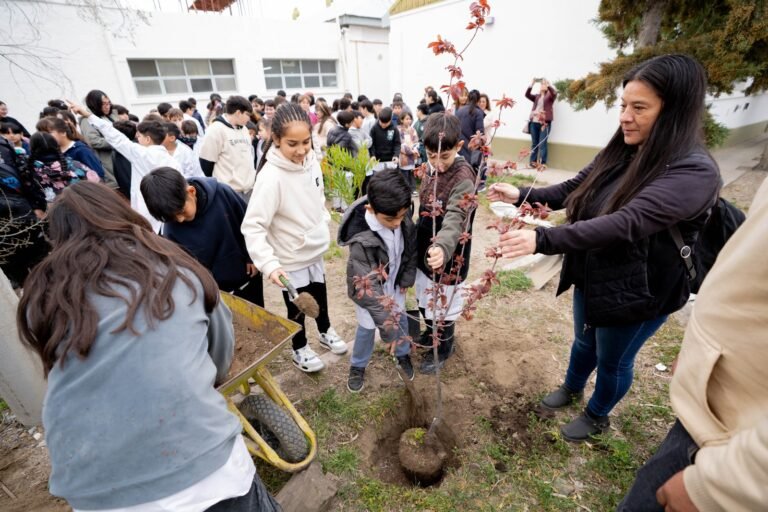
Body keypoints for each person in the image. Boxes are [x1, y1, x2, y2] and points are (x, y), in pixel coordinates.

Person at [489, 54, 721, 443]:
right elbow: (573, 188)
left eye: (639, 108)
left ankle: (598, 414)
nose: (625, 117)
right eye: (623, 106)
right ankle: (572, 387)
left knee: (614, 359)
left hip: (643, 289)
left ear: (675, 109)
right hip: (599, 272)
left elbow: (626, 224)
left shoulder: (694, 171)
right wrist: (522, 195)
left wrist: (543, 238)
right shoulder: (627, 147)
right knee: (584, 339)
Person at [16, 181, 280, 511]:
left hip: (91, 483)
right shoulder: (173, 266)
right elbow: (219, 358)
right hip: (204, 470)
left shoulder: (40, 295)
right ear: (121, 213)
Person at [618, 178, 768, 511]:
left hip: (735, 440)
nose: (625, 120)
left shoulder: (692, 169)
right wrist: (699, 347)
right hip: (715, 407)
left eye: (639, 118)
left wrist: (728, 484)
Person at [241, 103, 347, 373]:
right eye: (292, 144)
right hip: (290, 256)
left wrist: (321, 220)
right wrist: (269, 264)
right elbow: (253, 226)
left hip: (313, 249)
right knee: (297, 305)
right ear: (276, 139)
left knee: (320, 295)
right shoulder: (271, 178)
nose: (300, 150)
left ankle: (325, 330)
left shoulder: (310, 162)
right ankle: (299, 348)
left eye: (305, 142)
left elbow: (317, 195)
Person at [337, 169, 417, 392]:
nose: (397, 223)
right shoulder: (361, 241)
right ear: (370, 209)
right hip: (370, 294)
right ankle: (358, 365)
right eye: (391, 219)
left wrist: (406, 276)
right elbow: (370, 292)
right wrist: (387, 331)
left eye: (402, 216)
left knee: (400, 318)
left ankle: (402, 354)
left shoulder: (401, 216)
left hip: (395, 285)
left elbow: (410, 250)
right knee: (367, 327)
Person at [141, 167, 264, 308]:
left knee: (257, 316)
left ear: (191, 192)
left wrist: (252, 256)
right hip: (214, 290)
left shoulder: (223, 193)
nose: (180, 219)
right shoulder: (171, 228)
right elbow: (182, 266)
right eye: (172, 217)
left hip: (246, 273)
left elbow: (248, 224)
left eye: (181, 211)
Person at [415, 112, 476, 374]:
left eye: (445, 156)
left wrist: (443, 247)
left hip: (449, 252)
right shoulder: (430, 167)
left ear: (458, 147)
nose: (438, 164)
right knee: (426, 297)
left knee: (444, 304)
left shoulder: (463, 177)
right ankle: (430, 335)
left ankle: (444, 345)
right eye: (431, 156)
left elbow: (455, 219)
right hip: (425, 247)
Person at [69, 101, 180, 233]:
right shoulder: (173, 161)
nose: (137, 139)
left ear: (148, 139)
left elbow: (116, 137)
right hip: (170, 217)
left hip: (148, 217)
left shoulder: (141, 154)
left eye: (139, 136)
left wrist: (88, 115)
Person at [0, 135, 48, 288]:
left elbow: (26, 176)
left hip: (24, 216)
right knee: (22, 275)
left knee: (41, 265)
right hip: (10, 226)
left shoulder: (5, 146)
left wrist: (37, 205)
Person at [198, 95, 256, 202]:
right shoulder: (216, 130)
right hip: (230, 191)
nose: (249, 119)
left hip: (248, 189)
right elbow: (206, 161)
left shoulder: (244, 129)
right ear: (238, 113)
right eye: (248, 114)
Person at [27, 131, 101, 202]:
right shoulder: (75, 165)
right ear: (56, 144)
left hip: (53, 211)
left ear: (31, 148)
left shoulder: (29, 170)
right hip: (83, 206)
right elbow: (96, 183)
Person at [79, 89, 120, 188]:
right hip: (107, 160)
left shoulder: (111, 116)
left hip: (119, 157)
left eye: (108, 103)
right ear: (95, 104)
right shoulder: (86, 120)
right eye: (103, 104)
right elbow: (94, 141)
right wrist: (118, 141)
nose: (107, 106)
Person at [367, 107, 401, 194]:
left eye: (386, 123)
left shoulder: (394, 129)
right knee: (378, 181)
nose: (383, 125)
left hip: (390, 160)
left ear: (390, 119)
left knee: (391, 181)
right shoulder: (374, 128)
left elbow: (397, 144)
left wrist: (396, 155)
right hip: (378, 161)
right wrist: (372, 155)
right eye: (381, 122)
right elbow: (371, 144)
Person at [525, 77, 557, 166]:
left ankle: (543, 163)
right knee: (534, 143)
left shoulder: (550, 96)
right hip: (534, 123)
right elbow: (527, 95)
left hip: (545, 123)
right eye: (542, 84)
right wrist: (532, 83)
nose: (543, 85)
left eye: (544, 84)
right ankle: (533, 162)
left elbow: (554, 93)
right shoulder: (536, 97)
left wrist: (549, 85)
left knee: (542, 143)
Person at [455, 89, 485, 167]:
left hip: (458, 147)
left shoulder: (459, 111)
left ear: (468, 98)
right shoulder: (478, 113)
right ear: (478, 100)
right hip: (472, 150)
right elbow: (480, 133)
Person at [397, 111, 419, 192]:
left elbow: (416, 141)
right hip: (403, 156)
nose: (408, 121)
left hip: (412, 154)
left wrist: (415, 149)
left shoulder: (413, 130)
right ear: (402, 120)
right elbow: (400, 144)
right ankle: (406, 190)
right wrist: (410, 151)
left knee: (412, 173)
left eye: (410, 119)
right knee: (404, 174)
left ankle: (413, 189)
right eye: (406, 119)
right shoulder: (398, 130)